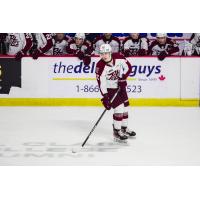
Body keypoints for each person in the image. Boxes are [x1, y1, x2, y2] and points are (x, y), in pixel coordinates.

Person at [95, 44, 136, 142]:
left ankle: (124, 128)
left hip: (120, 86)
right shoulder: (100, 66)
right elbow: (101, 83)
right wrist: (105, 97)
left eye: (106, 53)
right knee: (119, 108)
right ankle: (116, 131)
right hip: (110, 89)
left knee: (125, 107)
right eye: (102, 54)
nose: (104, 56)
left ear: (110, 53)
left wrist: (123, 78)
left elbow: (128, 67)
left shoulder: (119, 57)